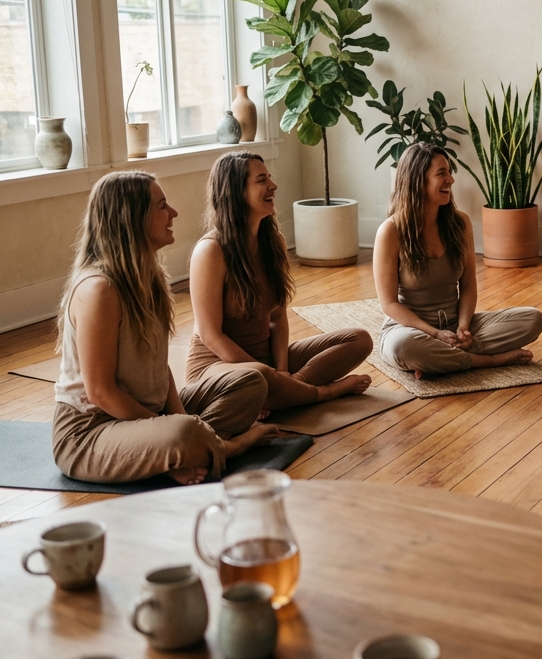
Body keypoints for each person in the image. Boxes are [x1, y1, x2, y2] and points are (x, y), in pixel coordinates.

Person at [53, 171, 276, 485]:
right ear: (132, 218)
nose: (173, 213)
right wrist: (175, 426)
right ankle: (220, 446)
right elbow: (101, 393)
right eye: (162, 206)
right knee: (185, 433)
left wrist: (176, 419)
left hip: (149, 415)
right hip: (90, 433)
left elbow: (159, 369)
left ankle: (185, 449)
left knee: (250, 381)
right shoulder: (99, 290)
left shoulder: (150, 278)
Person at [187, 152, 372, 410]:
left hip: (266, 362)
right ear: (235, 192)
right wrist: (266, 372)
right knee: (257, 376)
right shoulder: (211, 251)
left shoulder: (274, 242)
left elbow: (277, 318)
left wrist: (282, 372)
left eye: (269, 179)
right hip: (218, 366)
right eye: (261, 180)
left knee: (360, 339)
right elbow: (210, 336)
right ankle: (322, 393)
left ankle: (288, 392)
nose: (273, 186)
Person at [374, 142, 542, 377]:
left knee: (533, 319)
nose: (451, 180)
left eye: (450, 172)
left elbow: (468, 285)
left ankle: (438, 360)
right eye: (441, 174)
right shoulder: (391, 231)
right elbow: (389, 304)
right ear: (417, 181)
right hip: (409, 330)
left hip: (455, 325)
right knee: (404, 347)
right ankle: (485, 361)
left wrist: (463, 327)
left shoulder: (460, 223)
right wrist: (433, 334)